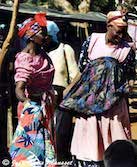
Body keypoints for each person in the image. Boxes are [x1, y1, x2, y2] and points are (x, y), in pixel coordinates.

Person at [61, 10, 135, 166]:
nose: (121, 36)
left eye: (124, 33)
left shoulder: (127, 50)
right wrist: (69, 90)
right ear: (108, 26)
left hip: (113, 106)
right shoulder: (92, 41)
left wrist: (127, 88)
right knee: (90, 141)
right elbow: (82, 71)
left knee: (115, 142)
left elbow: (130, 77)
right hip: (90, 103)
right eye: (118, 32)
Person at [9, 13, 56, 166]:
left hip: (45, 106)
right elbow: (19, 89)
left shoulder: (43, 54)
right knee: (31, 152)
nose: (47, 36)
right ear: (31, 35)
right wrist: (31, 106)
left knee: (45, 146)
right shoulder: (25, 59)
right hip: (33, 110)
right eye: (43, 33)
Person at [45, 20, 79, 162]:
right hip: (44, 101)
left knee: (60, 136)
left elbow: (77, 75)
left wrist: (65, 92)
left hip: (62, 101)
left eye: (45, 34)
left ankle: (63, 161)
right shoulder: (38, 52)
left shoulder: (65, 49)